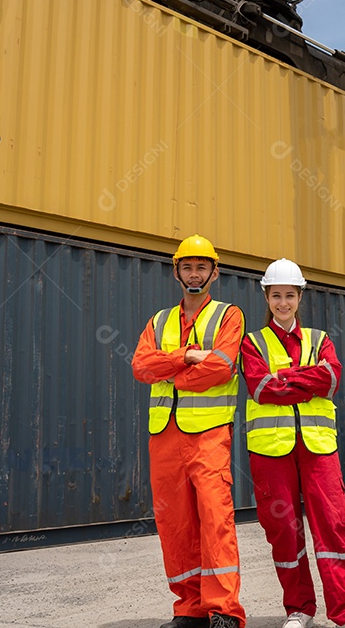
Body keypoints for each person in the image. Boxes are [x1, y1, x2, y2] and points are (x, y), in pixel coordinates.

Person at [239, 258, 345, 628]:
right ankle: (299, 610)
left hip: (318, 449)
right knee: (284, 532)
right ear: (267, 297)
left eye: (290, 295)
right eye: (276, 296)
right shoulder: (252, 343)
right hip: (270, 452)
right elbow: (261, 388)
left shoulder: (320, 339)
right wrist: (305, 379)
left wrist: (286, 378)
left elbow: (331, 379)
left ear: (300, 296)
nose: (283, 303)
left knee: (333, 526)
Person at [132, 235, 246, 628]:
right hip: (164, 436)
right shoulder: (159, 321)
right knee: (174, 523)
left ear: (214, 272)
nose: (194, 274)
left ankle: (224, 611)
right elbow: (140, 366)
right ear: (176, 272)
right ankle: (189, 609)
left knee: (215, 519)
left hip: (210, 434)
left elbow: (222, 365)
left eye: (201, 267)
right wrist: (185, 355)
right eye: (187, 267)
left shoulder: (228, 315)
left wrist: (175, 376)